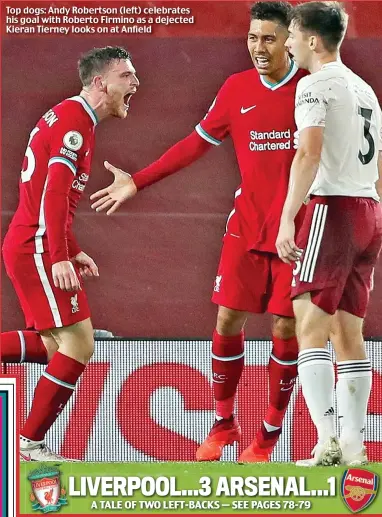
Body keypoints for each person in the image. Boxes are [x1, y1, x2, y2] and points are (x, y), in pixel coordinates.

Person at [90, 2, 307, 462]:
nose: (258, 48)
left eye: (269, 38)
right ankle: (224, 423)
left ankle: (267, 436)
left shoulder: (312, 88)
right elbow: (195, 144)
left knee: (286, 326)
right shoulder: (236, 89)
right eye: (252, 38)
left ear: (289, 40)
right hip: (247, 225)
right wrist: (137, 181)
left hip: (301, 230)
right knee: (228, 318)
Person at [1, 46, 139, 461]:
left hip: (34, 241)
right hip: (37, 245)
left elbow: (50, 193)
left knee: (53, 344)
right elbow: (54, 192)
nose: (135, 84)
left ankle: (30, 441)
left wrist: (72, 250)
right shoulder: (75, 124)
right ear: (101, 83)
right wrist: (59, 254)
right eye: (127, 76)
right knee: (78, 344)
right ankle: (29, 443)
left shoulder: (72, 117)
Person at [276, 1, 382, 466]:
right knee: (347, 331)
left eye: (292, 36)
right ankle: (356, 445)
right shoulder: (364, 89)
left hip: (333, 209)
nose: (288, 44)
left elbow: (308, 154)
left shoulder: (314, 85)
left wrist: (287, 217)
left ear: (313, 41)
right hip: (368, 209)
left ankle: (326, 441)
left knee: (309, 324)